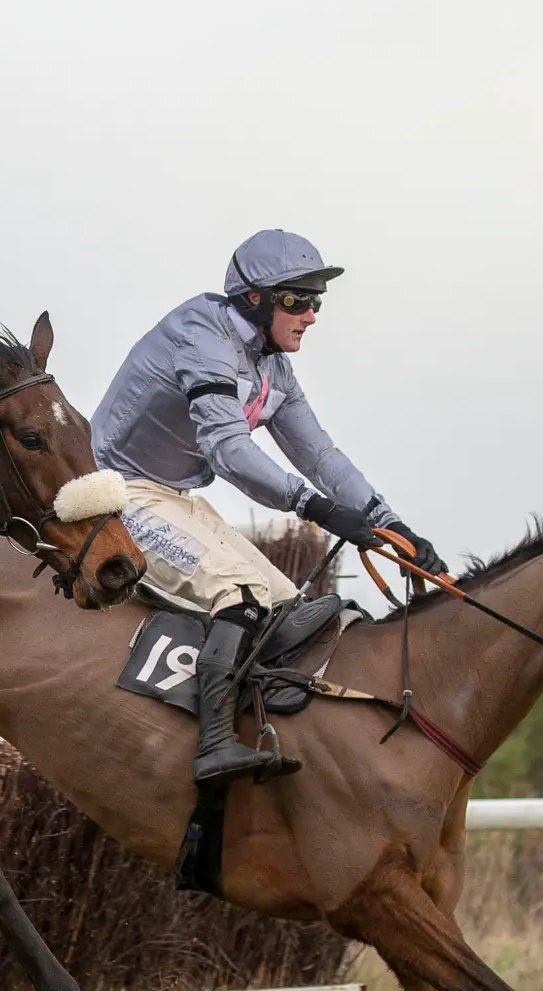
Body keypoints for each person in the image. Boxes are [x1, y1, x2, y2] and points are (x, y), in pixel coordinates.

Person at [90, 229, 446, 788]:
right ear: (253, 299)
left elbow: (320, 455)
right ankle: (211, 746)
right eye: (296, 300)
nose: (310, 315)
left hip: (172, 496)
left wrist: (388, 522)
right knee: (242, 592)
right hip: (117, 493)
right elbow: (228, 449)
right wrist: (317, 510)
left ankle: (268, 725)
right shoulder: (200, 334)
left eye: (315, 302)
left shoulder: (272, 365)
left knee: (287, 606)